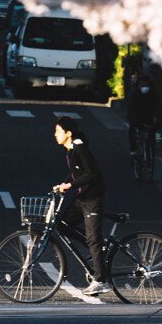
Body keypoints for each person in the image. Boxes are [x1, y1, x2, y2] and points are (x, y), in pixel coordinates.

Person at [53, 116, 108, 297]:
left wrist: (69, 186)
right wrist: (63, 183)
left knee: (93, 239)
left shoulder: (80, 149)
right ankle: (97, 249)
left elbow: (91, 174)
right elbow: (75, 172)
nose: (55, 135)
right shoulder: (71, 149)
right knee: (62, 224)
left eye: (58, 131)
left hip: (92, 198)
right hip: (82, 197)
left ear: (68, 133)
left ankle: (100, 280)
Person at [127, 71, 162, 165]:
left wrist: (157, 119)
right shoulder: (134, 94)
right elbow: (132, 109)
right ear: (138, 85)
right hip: (137, 115)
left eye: (147, 85)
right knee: (132, 129)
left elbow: (159, 107)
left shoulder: (154, 94)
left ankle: (151, 150)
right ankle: (133, 151)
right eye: (142, 85)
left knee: (152, 132)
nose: (145, 87)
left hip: (149, 115)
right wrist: (135, 120)